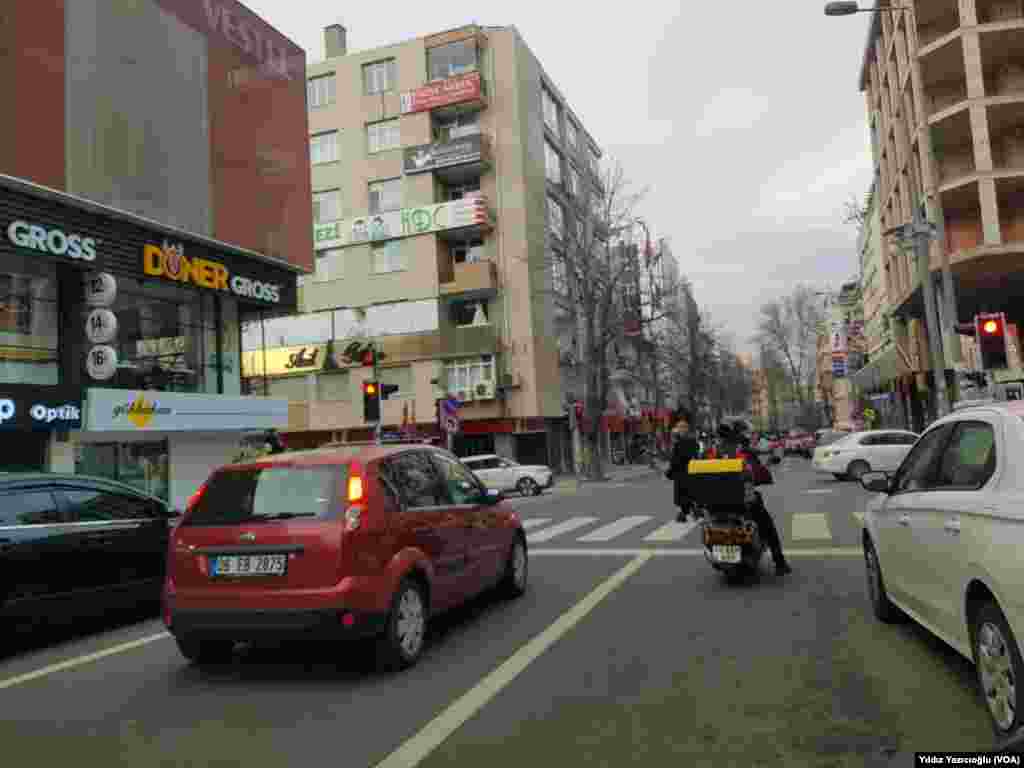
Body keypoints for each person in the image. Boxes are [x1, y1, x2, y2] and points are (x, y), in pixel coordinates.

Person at [666, 408, 702, 523]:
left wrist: (670, 472)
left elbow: (674, 460)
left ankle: (684, 512)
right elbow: (697, 455)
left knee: (682, 494)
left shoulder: (678, 444)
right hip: (692, 471)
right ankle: (693, 509)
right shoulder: (693, 442)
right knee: (691, 492)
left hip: (681, 473)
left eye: (681, 428)